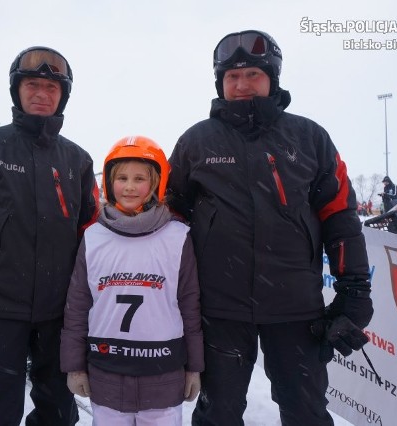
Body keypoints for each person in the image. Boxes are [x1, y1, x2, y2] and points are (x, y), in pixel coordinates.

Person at [166, 30, 373, 426]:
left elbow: (342, 221)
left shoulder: (310, 138)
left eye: (253, 75)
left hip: (296, 308)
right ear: (219, 83)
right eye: (231, 76)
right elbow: (170, 218)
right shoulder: (195, 142)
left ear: (272, 78)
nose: (241, 84)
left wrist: (355, 293)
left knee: (306, 411)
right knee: (218, 413)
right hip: (220, 308)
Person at [0, 46, 99, 425]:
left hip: (60, 315)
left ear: (63, 95)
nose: (41, 93)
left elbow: (92, 240)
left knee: (58, 413)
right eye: (32, 84)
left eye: (51, 86)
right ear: (17, 90)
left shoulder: (78, 160)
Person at [61, 136, 203, 425]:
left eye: (140, 178)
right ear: (109, 183)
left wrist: (194, 368)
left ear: (156, 184)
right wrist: (75, 367)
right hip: (106, 376)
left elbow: (190, 305)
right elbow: (77, 306)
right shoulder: (93, 237)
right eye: (121, 177)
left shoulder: (178, 236)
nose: (129, 186)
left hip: (162, 377)